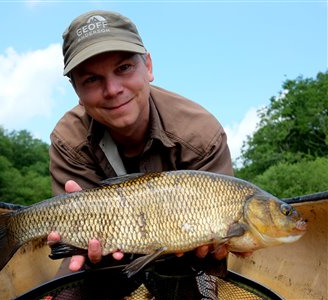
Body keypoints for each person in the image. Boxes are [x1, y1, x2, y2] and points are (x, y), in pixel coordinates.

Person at [47, 10, 242, 298]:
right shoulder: (67, 139)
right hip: (102, 256)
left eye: (124, 68)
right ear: (76, 89)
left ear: (148, 66)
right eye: (91, 79)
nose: (112, 89)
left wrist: (215, 246)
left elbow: (223, 247)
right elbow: (77, 238)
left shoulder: (201, 134)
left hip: (183, 258)